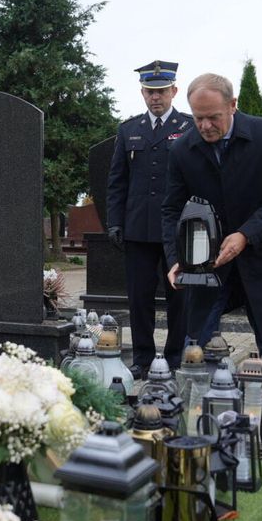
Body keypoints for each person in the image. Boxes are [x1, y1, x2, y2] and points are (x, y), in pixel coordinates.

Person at [162, 73, 262, 354]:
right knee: (195, 347)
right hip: (207, 263)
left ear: (233, 104)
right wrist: (176, 258)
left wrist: (246, 234)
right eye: (197, 117)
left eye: (213, 117)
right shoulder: (181, 150)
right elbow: (172, 209)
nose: (204, 125)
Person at [107, 60, 193, 372]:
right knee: (139, 298)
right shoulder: (129, 130)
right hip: (138, 229)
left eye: (161, 91)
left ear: (174, 90)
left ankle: (173, 357)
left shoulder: (188, 127)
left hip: (177, 229)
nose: (155, 97)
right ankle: (143, 358)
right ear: (142, 93)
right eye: (149, 92)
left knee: (178, 298)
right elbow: (117, 182)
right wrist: (115, 221)